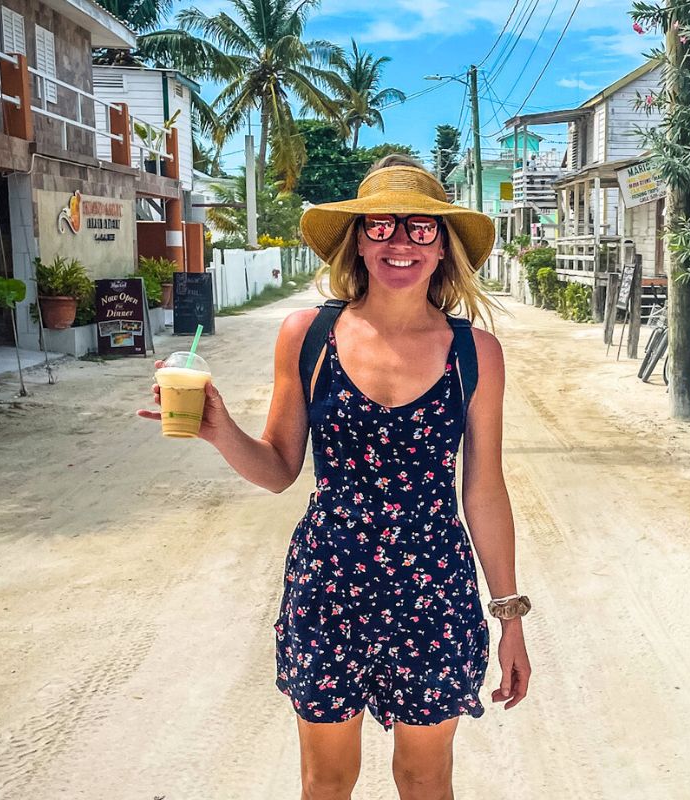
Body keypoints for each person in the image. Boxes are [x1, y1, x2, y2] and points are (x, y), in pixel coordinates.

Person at [139, 154, 531, 800]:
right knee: (326, 780)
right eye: (380, 225)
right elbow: (278, 467)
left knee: (425, 777)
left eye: (421, 228)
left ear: (443, 248)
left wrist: (510, 615)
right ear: (357, 239)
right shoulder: (308, 336)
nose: (399, 241)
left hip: (433, 591)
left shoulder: (475, 354)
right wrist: (219, 429)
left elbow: (484, 489)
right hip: (329, 587)